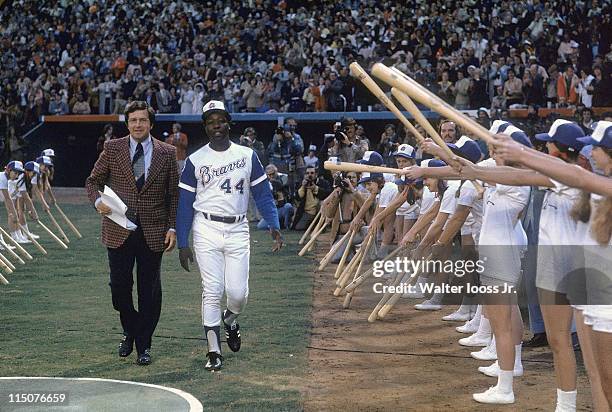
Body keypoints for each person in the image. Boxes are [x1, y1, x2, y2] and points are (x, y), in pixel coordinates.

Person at [176, 100, 282, 372]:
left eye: (221, 120)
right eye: (211, 122)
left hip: (237, 228)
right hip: (206, 227)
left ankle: (231, 320)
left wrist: (273, 224)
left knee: (238, 294)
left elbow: (262, 194)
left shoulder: (247, 155)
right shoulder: (195, 160)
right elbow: (185, 203)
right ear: (206, 126)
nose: (217, 126)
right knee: (212, 290)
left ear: (228, 123)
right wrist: (183, 242)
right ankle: (213, 350)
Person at [85, 100, 179, 366]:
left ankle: (143, 344)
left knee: (149, 291)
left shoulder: (167, 152)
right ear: (127, 124)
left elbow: (174, 194)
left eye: (143, 120)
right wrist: (97, 202)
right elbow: (92, 181)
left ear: (151, 123)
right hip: (118, 229)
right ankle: (130, 328)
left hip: (154, 231)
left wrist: (172, 227)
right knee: (119, 290)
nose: (138, 125)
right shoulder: (113, 148)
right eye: (133, 120)